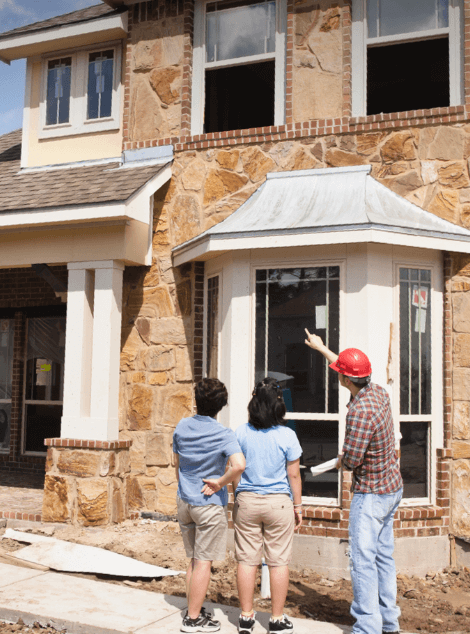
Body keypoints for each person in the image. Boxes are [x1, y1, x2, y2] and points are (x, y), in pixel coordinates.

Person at [304, 330, 403, 634]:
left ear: (346, 381)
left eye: (341, 375)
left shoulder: (359, 412)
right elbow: (348, 368)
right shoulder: (378, 392)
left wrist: (343, 456)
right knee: (383, 558)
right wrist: (323, 349)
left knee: (362, 561)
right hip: (392, 489)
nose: (340, 377)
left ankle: (367, 628)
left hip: (371, 495)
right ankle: (389, 624)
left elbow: (352, 461)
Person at [173, 378, 246, 633]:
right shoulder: (224, 434)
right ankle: (193, 620)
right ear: (221, 405)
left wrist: (185, 488)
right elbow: (239, 465)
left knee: (193, 559)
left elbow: (177, 464)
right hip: (209, 504)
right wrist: (219, 483)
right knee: (204, 562)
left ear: (197, 400)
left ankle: (193, 608)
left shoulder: (181, 426)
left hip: (185, 500)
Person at [232, 377, 303, 634]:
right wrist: (298, 506)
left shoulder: (240, 432)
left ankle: (246, 617)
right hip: (278, 504)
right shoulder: (287, 435)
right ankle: (276, 619)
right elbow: (293, 475)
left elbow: (235, 469)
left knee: (247, 560)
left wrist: (238, 493)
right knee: (278, 561)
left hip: (247, 501)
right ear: (278, 405)